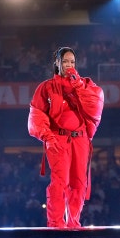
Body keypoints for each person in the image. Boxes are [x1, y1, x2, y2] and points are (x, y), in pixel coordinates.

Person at [27, 46, 104, 228]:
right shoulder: (46, 87)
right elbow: (36, 114)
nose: (69, 65)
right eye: (65, 61)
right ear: (57, 63)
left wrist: (77, 84)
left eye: (72, 62)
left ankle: (74, 223)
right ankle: (56, 225)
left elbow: (95, 106)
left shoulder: (84, 84)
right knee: (60, 182)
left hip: (80, 139)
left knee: (78, 183)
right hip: (58, 139)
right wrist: (48, 137)